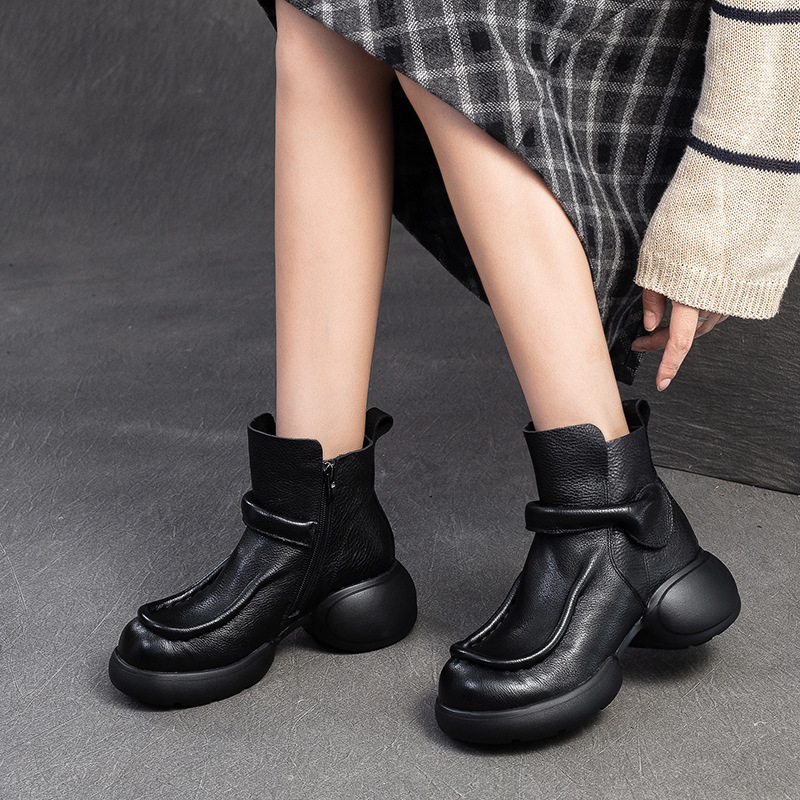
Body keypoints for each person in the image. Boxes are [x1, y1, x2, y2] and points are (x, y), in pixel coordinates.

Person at [107, 0, 799, 743]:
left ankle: (614, 517)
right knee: (320, 14)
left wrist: (732, 189)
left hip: (669, 44)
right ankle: (315, 515)